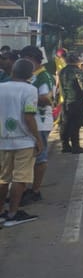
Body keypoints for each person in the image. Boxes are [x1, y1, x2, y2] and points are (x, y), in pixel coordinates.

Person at [0, 58, 44, 227]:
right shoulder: (30, 90)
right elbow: (29, 116)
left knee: (3, 178)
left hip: (3, 141)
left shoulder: (1, 88)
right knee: (20, 178)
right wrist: (38, 139)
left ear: (13, 72)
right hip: (24, 141)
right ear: (30, 74)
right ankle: (13, 213)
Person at [20, 46, 54, 204]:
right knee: (30, 158)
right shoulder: (32, 75)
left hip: (40, 123)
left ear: (32, 58)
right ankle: (25, 189)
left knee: (39, 158)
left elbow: (46, 98)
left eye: (25, 58)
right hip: (31, 121)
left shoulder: (43, 76)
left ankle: (35, 190)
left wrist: (26, 97)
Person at [57, 53, 83, 154]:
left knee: (65, 123)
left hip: (66, 101)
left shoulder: (62, 71)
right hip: (77, 101)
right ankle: (75, 146)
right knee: (76, 124)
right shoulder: (78, 72)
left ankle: (65, 145)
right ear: (77, 62)